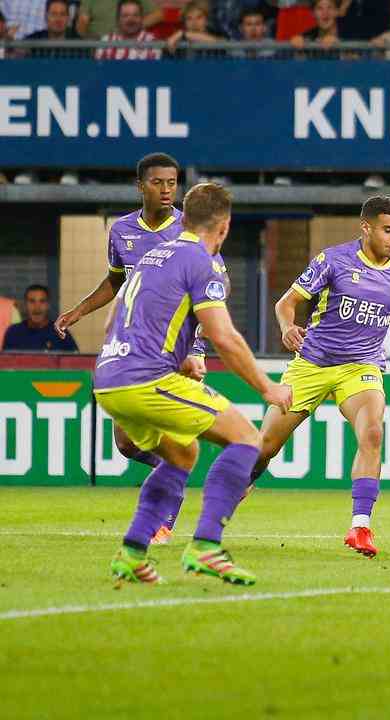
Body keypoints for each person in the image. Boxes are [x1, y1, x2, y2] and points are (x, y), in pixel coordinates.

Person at [98, 182, 292, 586]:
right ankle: (206, 545)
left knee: (182, 454)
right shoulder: (202, 261)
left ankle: (132, 553)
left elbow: (111, 319)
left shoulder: (153, 256)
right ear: (223, 227)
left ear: (184, 218)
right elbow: (224, 337)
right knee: (247, 440)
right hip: (146, 378)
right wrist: (267, 388)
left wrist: (178, 355)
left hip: (108, 377)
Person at [252, 196, 390, 558]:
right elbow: (286, 303)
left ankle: (361, 527)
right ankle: (232, 494)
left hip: (362, 367)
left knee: (373, 431)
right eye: (387, 230)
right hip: (312, 364)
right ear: (366, 228)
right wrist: (285, 327)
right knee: (264, 447)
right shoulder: (333, 260)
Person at [56, 154, 207, 537]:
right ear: (141, 186)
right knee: (125, 443)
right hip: (133, 344)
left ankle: (164, 517)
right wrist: (78, 311)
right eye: (158, 183)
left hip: (174, 346)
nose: (167, 190)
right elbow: (115, 281)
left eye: (173, 183)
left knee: (162, 427)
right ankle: (174, 471)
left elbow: (206, 291)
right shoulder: (122, 231)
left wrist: (196, 350)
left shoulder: (188, 230)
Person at [3, 285, 78, 351]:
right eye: (32, 301)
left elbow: (75, 362)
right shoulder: (13, 332)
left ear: (48, 305)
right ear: (25, 304)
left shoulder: (60, 333)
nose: (37, 307)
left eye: (42, 301)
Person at [94, 0, 163, 59]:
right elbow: (100, 71)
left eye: (135, 15)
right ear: (118, 19)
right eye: (125, 16)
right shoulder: (105, 41)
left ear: (142, 18)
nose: (130, 20)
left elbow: (152, 73)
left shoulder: (152, 43)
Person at [77, 0, 161, 41]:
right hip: (99, 45)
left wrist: (133, 26)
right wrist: (90, 41)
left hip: (129, 44)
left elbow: (159, 15)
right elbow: (82, 23)